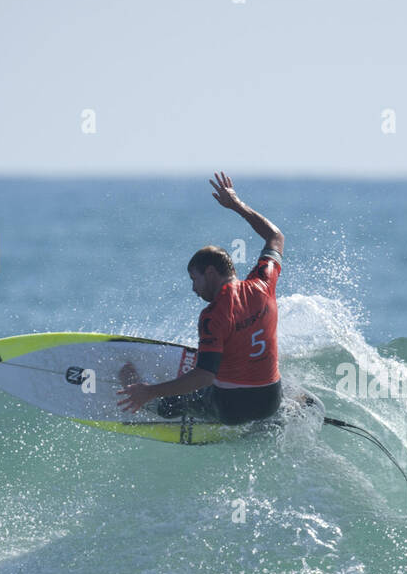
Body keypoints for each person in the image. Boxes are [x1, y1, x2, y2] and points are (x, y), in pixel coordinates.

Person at [116, 172, 284, 426]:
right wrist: (237, 205)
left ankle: (144, 399)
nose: (194, 289)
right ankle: (286, 406)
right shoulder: (263, 283)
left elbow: (204, 376)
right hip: (271, 399)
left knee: (175, 403)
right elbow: (275, 237)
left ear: (210, 272)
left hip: (232, 407)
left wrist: (150, 390)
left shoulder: (213, 315)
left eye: (194, 280)